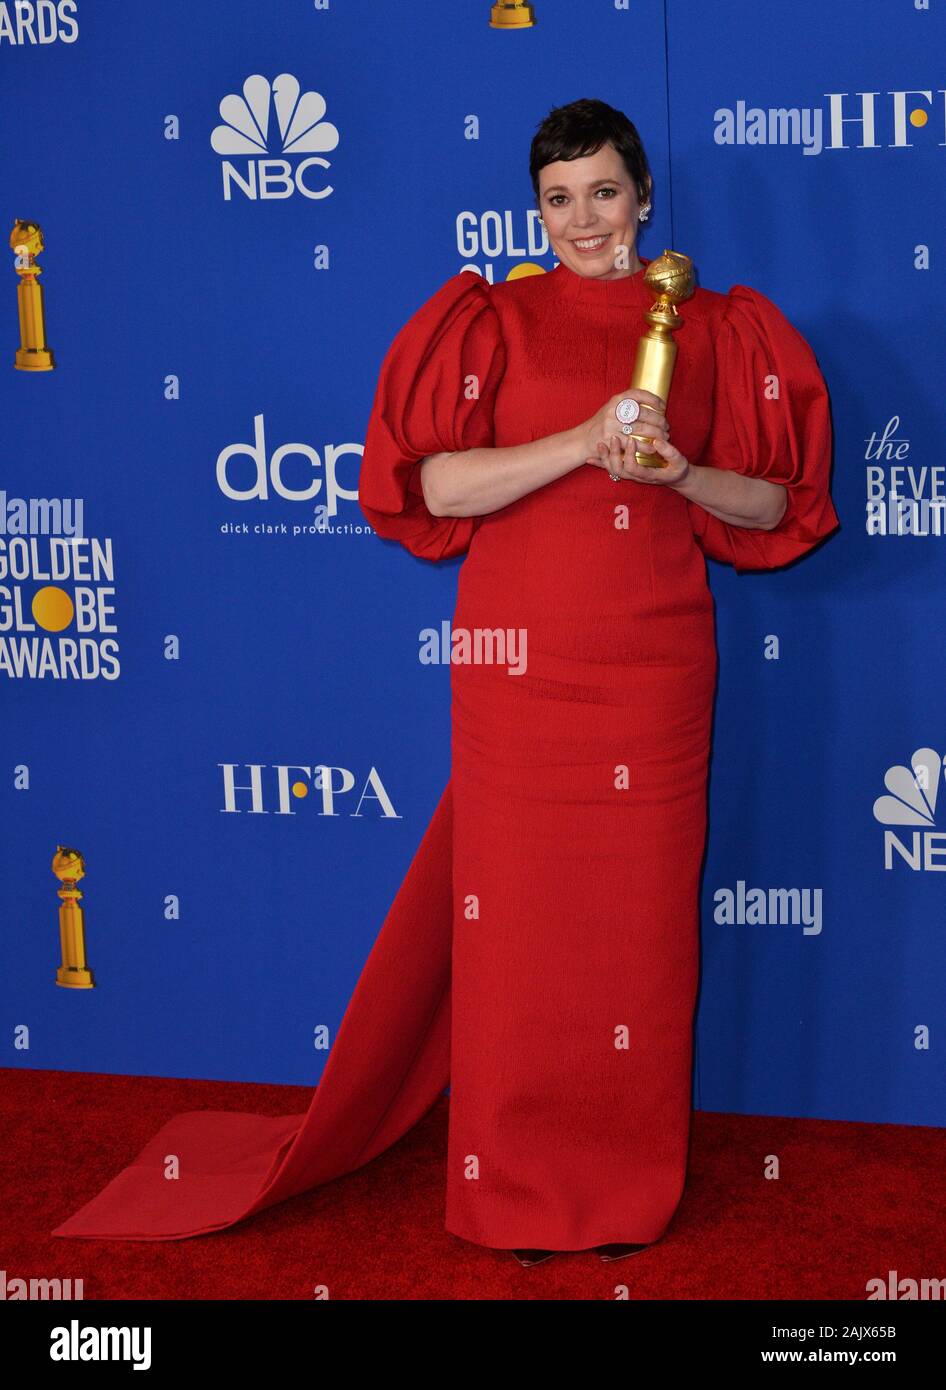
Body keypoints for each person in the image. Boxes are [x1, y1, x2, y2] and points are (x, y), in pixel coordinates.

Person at [51, 98, 840, 1265]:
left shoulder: (720, 329)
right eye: (559, 199)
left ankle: (622, 1186)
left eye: (604, 192)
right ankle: (516, 1186)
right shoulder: (490, 319)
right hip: (518, 673)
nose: (583, 219)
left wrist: (678, 470)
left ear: (644, 197)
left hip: (654, 671)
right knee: (521, 943)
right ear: (536, 210)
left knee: (636, 939)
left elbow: (778, 507)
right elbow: (429, 491)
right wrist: (581, 441)